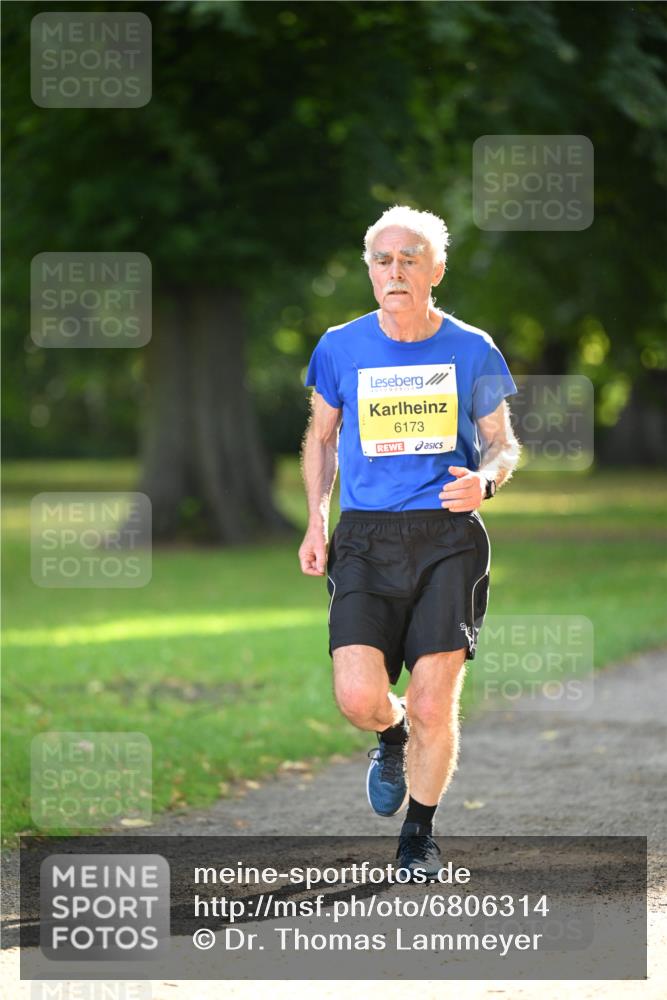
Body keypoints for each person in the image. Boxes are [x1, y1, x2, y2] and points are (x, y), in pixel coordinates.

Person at [298, 205, 520, 878]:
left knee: (433, 699)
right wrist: (316, 518)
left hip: (446, 537)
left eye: (409, 259)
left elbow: (502, 444)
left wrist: (484, 481)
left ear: (436, 270)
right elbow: (321, 439)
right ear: (370, 271)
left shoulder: (471, 347)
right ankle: (386, 733)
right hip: (365, 538)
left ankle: (418, 835)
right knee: (358, 696)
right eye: (382, 260)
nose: (394, 271)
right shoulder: (339, 346)